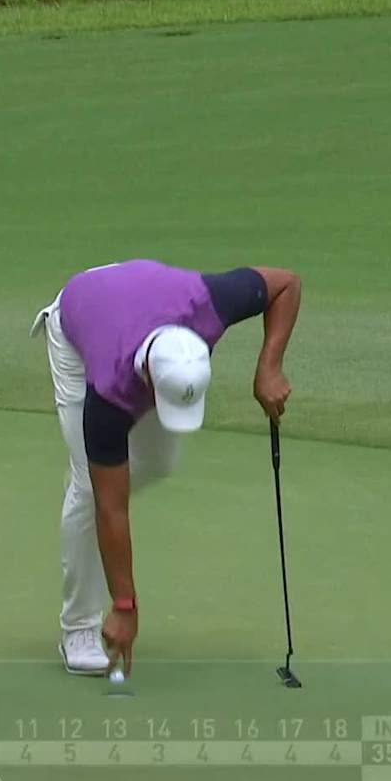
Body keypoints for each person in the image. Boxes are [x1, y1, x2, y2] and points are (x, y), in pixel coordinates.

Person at [30, 260, 302, 676]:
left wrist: (269, 365)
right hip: (79, 317)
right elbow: (114, 509)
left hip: (138, 297)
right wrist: (125, 606)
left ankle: (97, 478)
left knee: (159, 463)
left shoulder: (211, 304)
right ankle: (77, 629)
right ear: (147, 378)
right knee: (94, 491)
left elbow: (286, 284)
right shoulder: (109, 386)